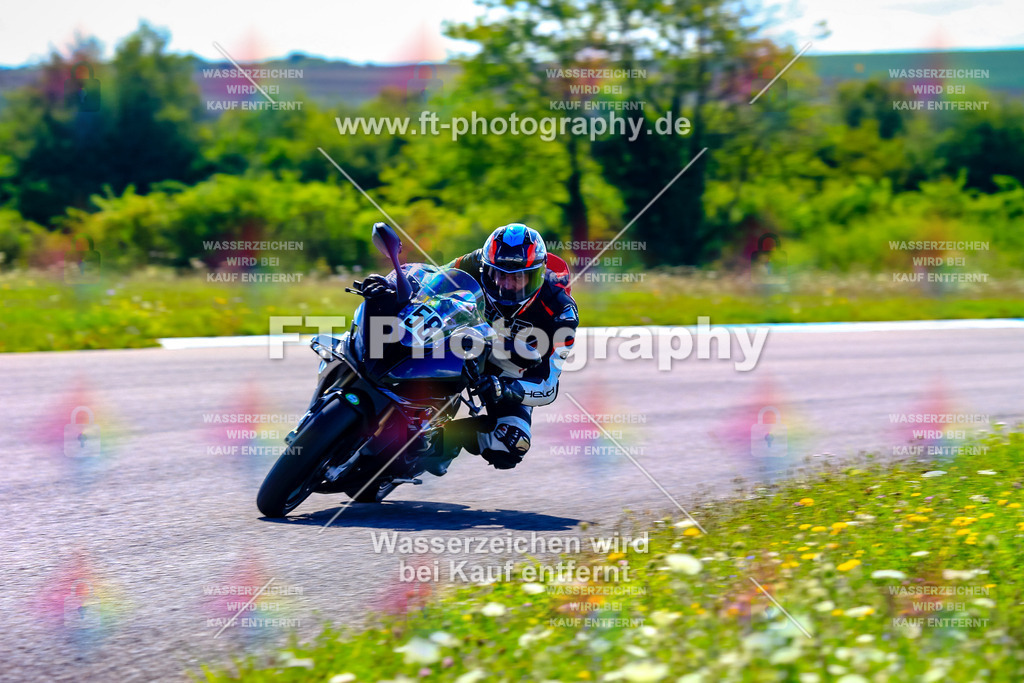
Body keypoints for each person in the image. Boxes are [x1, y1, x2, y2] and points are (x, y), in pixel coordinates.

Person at [360, 223, 579, 474]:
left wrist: (507, 389)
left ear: (537, 275)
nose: (506, 285)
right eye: (499, 275)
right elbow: (428, 279)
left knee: (510, 443)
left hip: (510, 368)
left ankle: (446, 439)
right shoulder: (476, 261)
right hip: (463, 339)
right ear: (487, 267)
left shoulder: (562, 313)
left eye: (518, 277)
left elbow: (549, 386)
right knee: (387, 320)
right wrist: (390, 284)